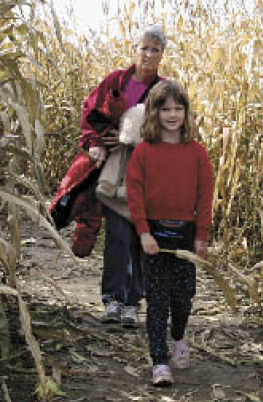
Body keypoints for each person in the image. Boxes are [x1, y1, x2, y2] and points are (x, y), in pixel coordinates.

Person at [49, 25, 166, 327]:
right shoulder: (116, 81)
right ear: (134, 50)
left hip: (147, 173)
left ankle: (132, 303)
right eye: (144, 48)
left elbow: (173, 128)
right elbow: (90, 113)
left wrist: (134, 140)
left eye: (155, 49)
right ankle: (112, 299)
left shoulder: (164, 90)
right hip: (112, 173)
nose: (149, 54)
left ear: (162, 55)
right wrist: (98, 141)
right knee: (116, 234)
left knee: (141, 236)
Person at [126, 80, 213, 386]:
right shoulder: (144, 153)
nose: (172, 115)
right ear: (154, 113)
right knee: (158, 300)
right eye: (166, 109)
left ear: (186, 113)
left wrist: (201, 236)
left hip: (186, 235)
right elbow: (135, 195)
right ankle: (160, 362)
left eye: (178, 108)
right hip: (154, 234)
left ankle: (178, 337)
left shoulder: (197, 153)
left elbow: (204, 196)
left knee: (183, 296)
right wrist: (144, 233)